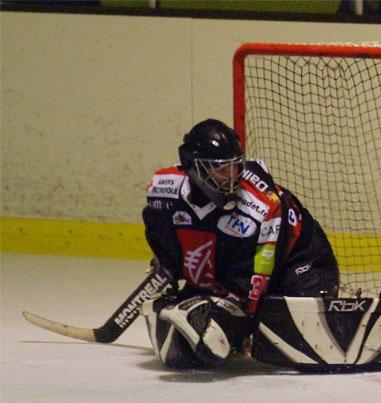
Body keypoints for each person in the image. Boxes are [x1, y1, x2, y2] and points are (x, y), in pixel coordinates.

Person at [141, 119, 339, 368]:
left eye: (236, 167)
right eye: (221, 170)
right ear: (193, 167)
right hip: (237, 269)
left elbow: (260, 274)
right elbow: (159, 228)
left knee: (282, 323)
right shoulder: (165, 189)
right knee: (181, 352)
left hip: (303, 264)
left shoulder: (261, 206)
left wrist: (245, 321)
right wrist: (168, 263)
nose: (232, 178)